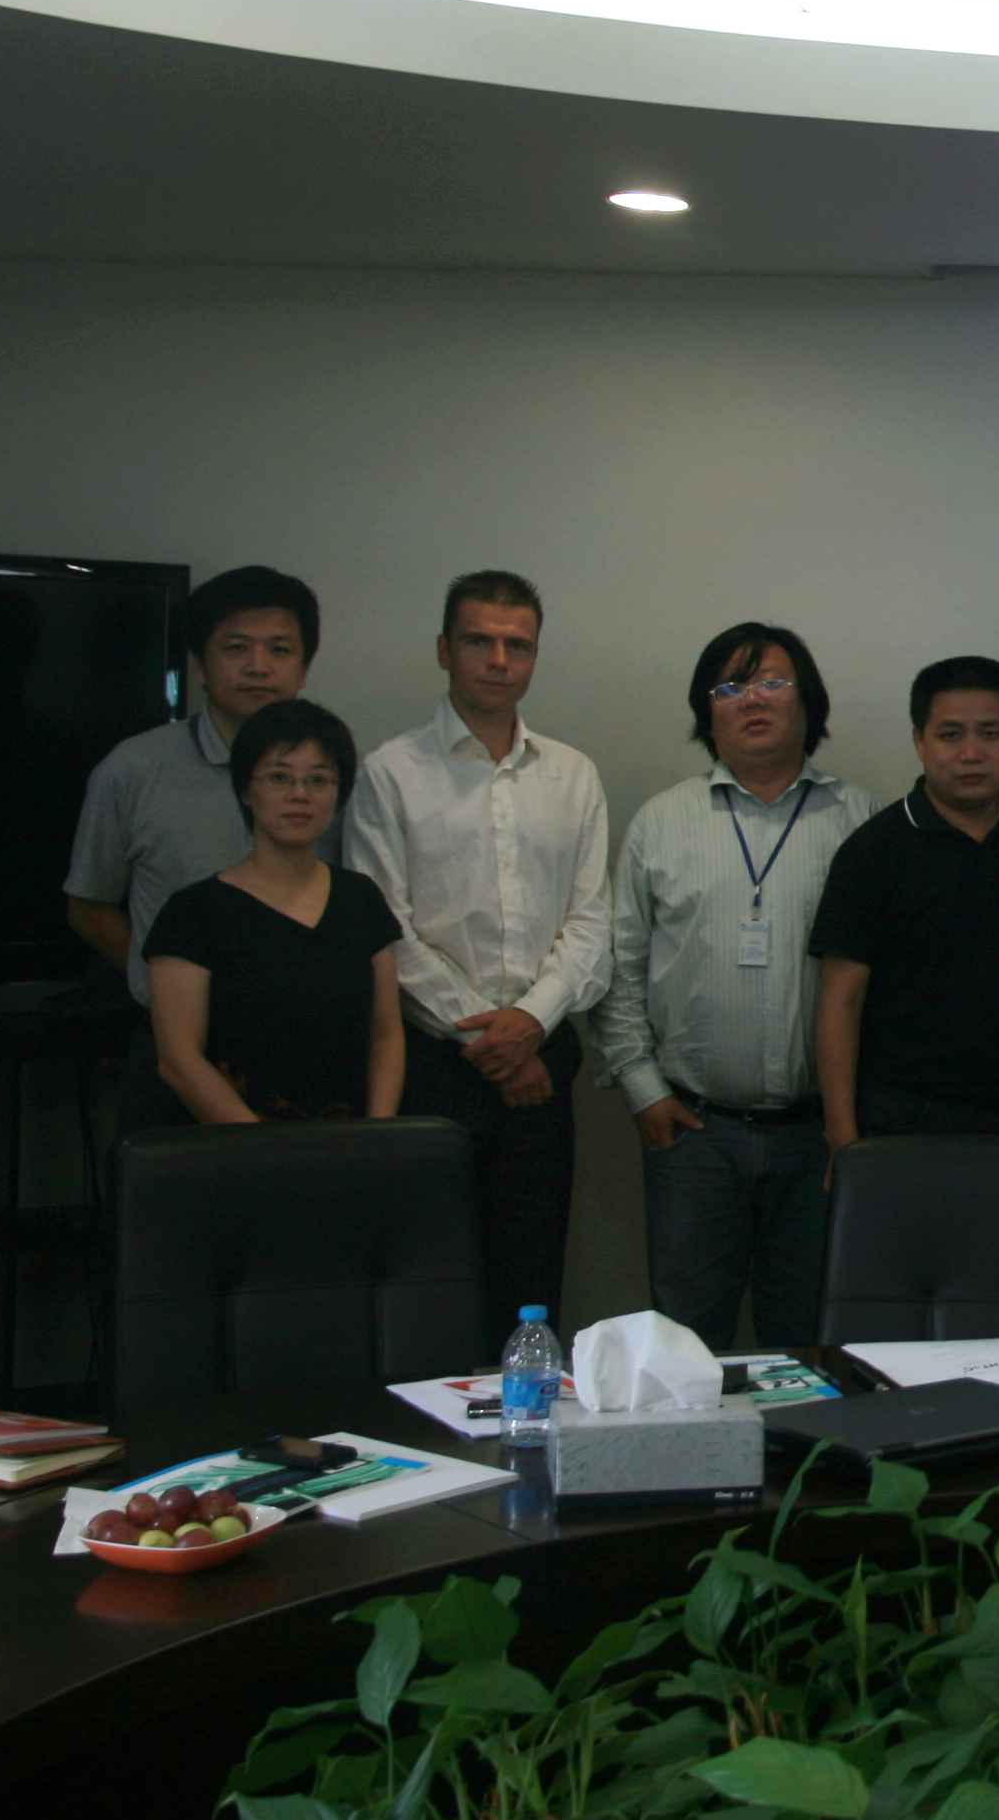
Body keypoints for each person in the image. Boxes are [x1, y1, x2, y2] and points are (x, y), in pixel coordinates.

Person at [587, 623, 869, 1352]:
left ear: (809, 702)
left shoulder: (858, 820)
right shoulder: (661, 822)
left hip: (820, 1138)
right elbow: (619, 966)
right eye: (730, 686)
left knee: (810, 1344)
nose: (752, 699)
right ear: (706, 710)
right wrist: (644, 1090)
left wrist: (852, 1125)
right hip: (694, 1135)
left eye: (772, 681)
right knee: (685, 1344)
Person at [348, 571, 611, 1344]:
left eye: (517, 645)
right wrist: (488, 1040)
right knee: (427, 1279)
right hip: (433, 1064)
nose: (499, 660)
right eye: (479, 641)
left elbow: (591, 922)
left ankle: (524, 1419)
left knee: (530, 1282)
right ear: (444, 650)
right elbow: (382, 926)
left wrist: (528, 1024)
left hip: (544, 1060)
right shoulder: (389, 772)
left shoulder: (573, 775)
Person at [812, 656, 999, 1147]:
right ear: (920, 742)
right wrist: (842, 1139)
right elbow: (840, 999)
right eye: (950, 735)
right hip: (899, 1124)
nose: (971, 753)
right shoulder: (873, 851)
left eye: (991, 733)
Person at [64, 565, 319, 1007]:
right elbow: (89, 908)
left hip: (306, 1023)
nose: (258, 667)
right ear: (200, 665)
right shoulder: (133, 768)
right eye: (236, 648)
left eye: (279, 650)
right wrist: (163, 986)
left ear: (303, 669)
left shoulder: (334, 774)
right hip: (173, 1027)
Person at [143, 699, 401, 1126]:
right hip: (233, 1149)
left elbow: (386, 1035)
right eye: (280, 777)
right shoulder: (192, 913)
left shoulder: (362, 899)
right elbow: (179, 1061)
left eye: (319, 780)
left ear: (338, 794)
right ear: (246, 790)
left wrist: (378, 1135)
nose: (300, 795)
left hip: (355, 1145)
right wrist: (268, 1150)